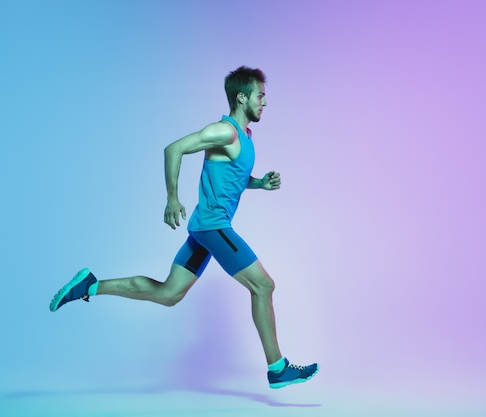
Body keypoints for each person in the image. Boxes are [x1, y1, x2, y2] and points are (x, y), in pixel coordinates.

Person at [49, 66, 319, 389]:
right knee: (263, 286)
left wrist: (259, 183)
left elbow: (230, 178)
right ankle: (277, 368)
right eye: (260, 96)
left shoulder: (245, 137)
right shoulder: (226, 132)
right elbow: (173, 149)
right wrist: (172, 198)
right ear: (241, 97)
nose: (265, 102)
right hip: (212, 226)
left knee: (169, 293)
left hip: (206, 230)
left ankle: (91, 286)